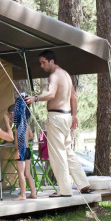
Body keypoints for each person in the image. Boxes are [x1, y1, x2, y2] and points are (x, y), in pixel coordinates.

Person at [24, 50, 91, 197]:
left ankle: (65, 190)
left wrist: (35, 98)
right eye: (40, 63)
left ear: (52, 61)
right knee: (68, 151)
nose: (41, 66)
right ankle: (83, 183)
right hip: (66, 117)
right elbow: (73, 96)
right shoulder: (66, 74)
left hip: (56, 117)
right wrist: (74, 116)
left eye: (43, 62)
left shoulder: (54, 76)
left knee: (57, 154)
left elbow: (51, 94)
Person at [4, 104, 36, 200]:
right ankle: (33, 193)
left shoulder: (18, 127)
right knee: (28, 173)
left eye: (10, 114)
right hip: (27, 150)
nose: (10, 117)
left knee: (21, 173)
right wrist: (25, 140)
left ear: (13, 114)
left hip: (20, 151)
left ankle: (23, 194)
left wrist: (15, 145)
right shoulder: (25, 123)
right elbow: (31, 135)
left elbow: (17, 145)